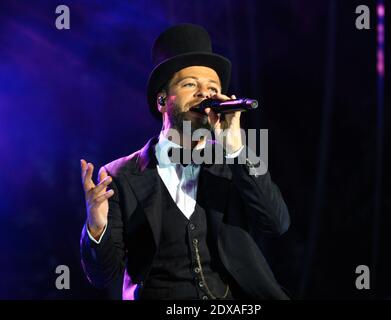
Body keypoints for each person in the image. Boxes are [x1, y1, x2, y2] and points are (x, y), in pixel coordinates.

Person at [80, 23, 290, 300]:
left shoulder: (235, 161)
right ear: (162, 100)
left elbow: (276, 223)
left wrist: (237, 149)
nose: (205, 94)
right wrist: (96, 226)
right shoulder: (119, 174)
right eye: (190, 84)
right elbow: (102, 275)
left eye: (213, 87)